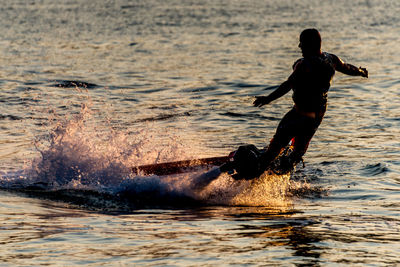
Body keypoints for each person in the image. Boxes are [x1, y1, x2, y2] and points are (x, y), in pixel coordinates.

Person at [253, 28, 368, 174]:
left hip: (298, 114)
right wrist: (360, 71)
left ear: (310, 45)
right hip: (315, 117)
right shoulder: (331, 60)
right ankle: (281, 172)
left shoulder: (304, 65)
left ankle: (259, 169)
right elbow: (347, 68)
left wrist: (267, 99)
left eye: (302, 43)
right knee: (297, 152)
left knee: (275, 148)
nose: (299, 46)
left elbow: (288, 84)